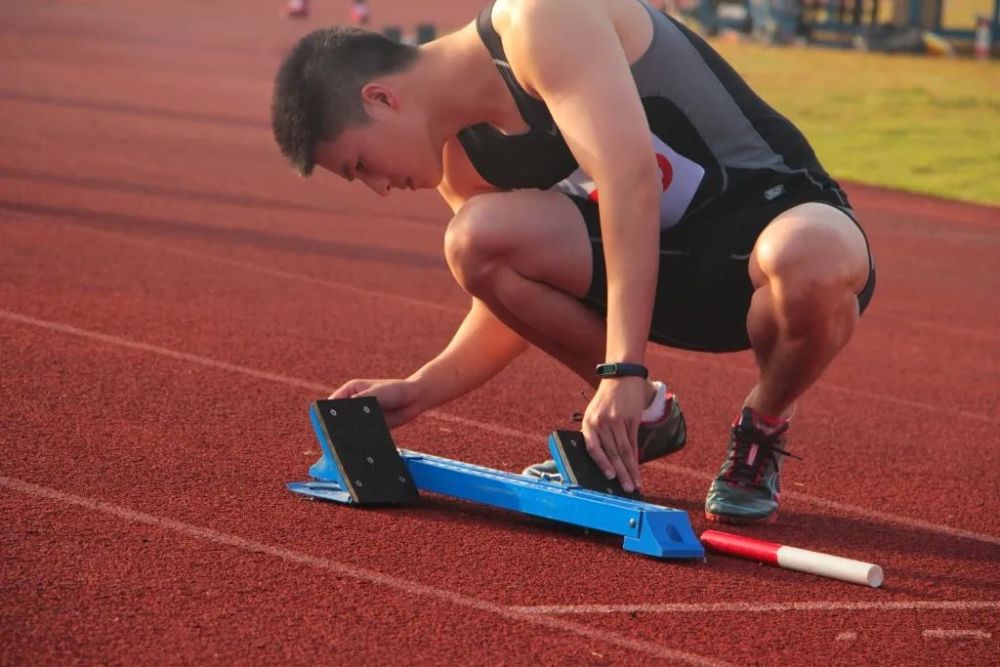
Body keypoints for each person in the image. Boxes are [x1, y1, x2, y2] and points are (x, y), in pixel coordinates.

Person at [270, 0, 876, 525]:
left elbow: (630, 176)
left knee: (808, 259)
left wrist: (620, 369)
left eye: (359, 165)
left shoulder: (539, 21)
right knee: (475, 238)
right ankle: (645, 418)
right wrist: (421, 390)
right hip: (663, 278)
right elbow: (507, 295)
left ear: (380, 98)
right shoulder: (458, 157)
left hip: (776, 220)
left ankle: (762, 425)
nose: (378, 187)